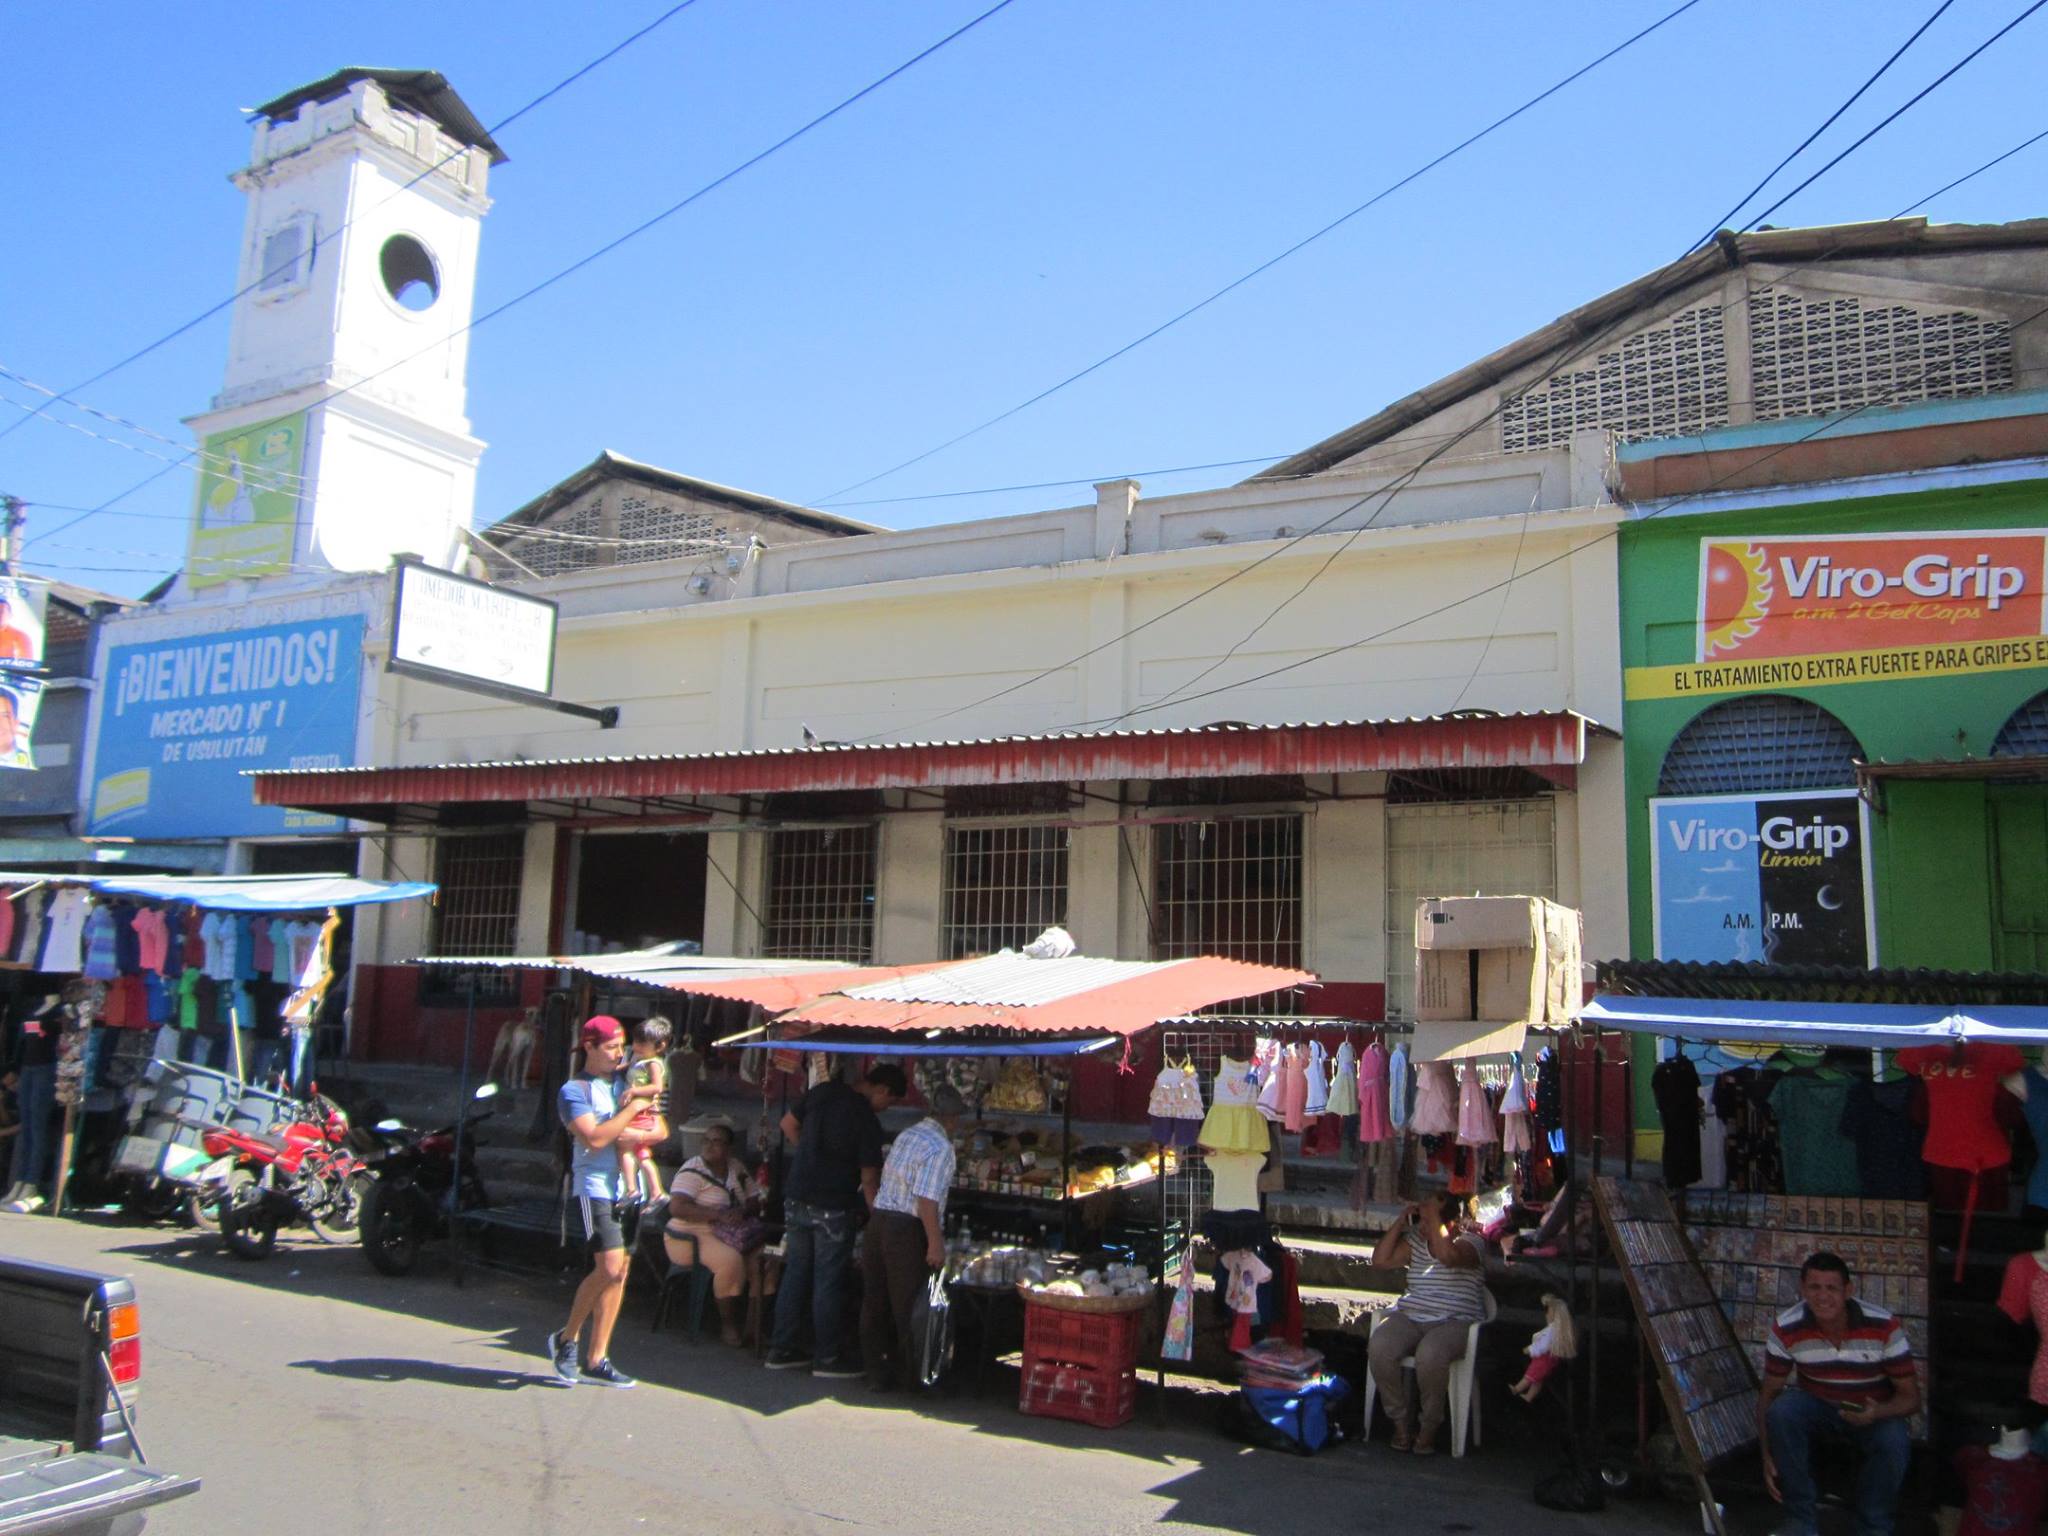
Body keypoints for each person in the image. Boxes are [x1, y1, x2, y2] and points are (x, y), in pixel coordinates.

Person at [1758, 1251, 1918, 1536]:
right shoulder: (1786, 1327)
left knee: (1894, 1437)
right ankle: (1800, 1520)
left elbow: (1911, 1398)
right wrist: (1766, 1453)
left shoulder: (1883, 1325)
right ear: (1802, 1290)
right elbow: (1769, 1394)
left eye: (1831, 1288)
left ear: (1848, 1291)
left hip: (1871, 1411)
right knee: (1783, 1411)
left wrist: (1876, 1412)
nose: (1823, 1297)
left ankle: (1874, 1526)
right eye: (1814, 1288)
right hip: (1819, 1407)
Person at [766, 1062, 908, 1378]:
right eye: (892, 1101)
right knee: (827, 1281)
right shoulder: (867, 1122)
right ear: (882, 1090)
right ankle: (827, 1358)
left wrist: (810, 1157)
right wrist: (879, 1219)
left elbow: (788, 1124)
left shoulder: (823, 1091)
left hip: (797, 1195)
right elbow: (869, 1179)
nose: (888, 1108)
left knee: (796, 1273)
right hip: (832, 1205)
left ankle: (781, 1348)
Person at [545, 1016, 659, 1389]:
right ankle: (566, 1340)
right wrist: (630, 1114)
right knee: (608, 1267)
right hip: (594, 1186)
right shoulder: (574, 1090)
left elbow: (660, 1128)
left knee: (621, 1272)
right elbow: (594, 1138)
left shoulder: (629, 1079)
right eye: (610, 1047)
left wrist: (630, 1121)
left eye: (620, 1046)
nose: (618, 1054)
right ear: (589, 1047)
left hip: (630, 1187)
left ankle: (597, 1358)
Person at [1367, 1190, 1489, 1454]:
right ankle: (1399, 1423)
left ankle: (1429, 1427)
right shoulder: (1415, 1242)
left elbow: (1448, 1257)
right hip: (1412, 1315)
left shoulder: (1472, 1242)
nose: (1423, 1226)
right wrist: (1401, 1222)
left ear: (1452, 1223)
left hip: (1455, 1321)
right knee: (1380, 1346)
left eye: (1429, 1220)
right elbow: (1380, 1261)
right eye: (1422, 1220)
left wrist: (1434, 1218)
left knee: (1430, 1355)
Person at [862, 1085, 966, 1393]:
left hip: (879, 1222)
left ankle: (876, 1372)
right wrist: (935, 1242)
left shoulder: (908, 1134)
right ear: (952, 1119)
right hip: (905, 1229)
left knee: (874, 1301)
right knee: (908, 1307)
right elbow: (926, 1199)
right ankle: (913, 1379)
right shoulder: (941, 1148)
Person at [665, 1119, 764, 1346]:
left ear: (729, 1148)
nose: (710, 1146)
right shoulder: (692, 1170)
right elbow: (677, 1207)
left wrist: (742, 1211)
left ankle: (753, 1327)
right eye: (706, 1141)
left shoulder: (736, 1167)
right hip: (692, 1234)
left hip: (730, 1232)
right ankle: (727, 1324)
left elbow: (754, 1198)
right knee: (730, 1262)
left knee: (763, 1261)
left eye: (717, 1142)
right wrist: (717, 1215)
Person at [617, 1018, 672, 1205]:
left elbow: (657, 1087)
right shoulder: (637, 1058)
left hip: (641, 1112)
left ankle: (631, 1189)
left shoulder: (653, 1063)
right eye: (635, 1041)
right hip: (638, 1111)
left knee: (625, 1149)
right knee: (641, 1154)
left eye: (642, 1043)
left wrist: (633, 1091)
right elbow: (625, 1068)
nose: (636, 1046)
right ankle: (656, 1192)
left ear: (659, 1046)